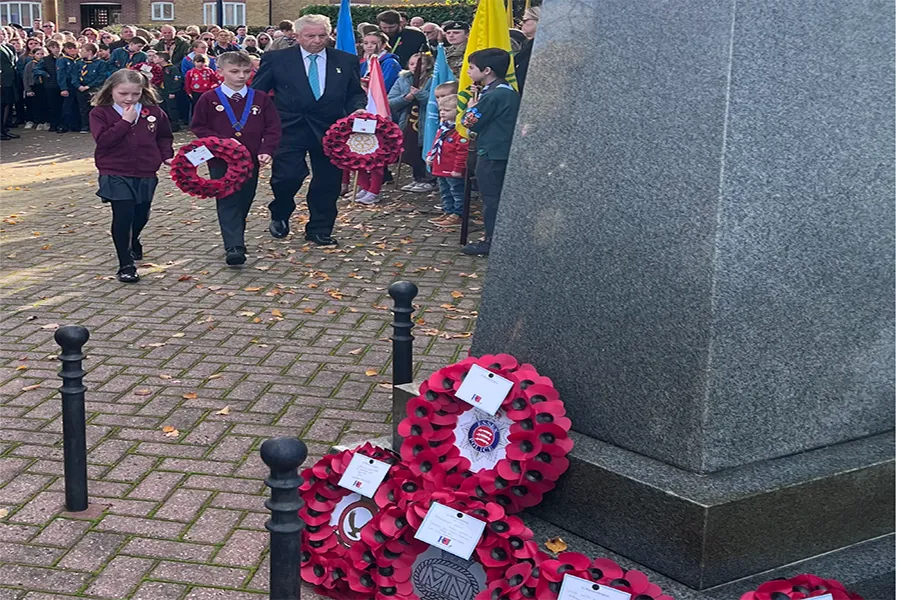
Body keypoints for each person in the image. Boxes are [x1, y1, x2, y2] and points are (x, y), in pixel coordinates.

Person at [251, 14, 367, 246]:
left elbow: (354, 92)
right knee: (287, 177)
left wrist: (358, 108)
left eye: (322, 35)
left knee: (328, 181)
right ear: (297, 36)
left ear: (329, 34)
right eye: (310, 36)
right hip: (289, 127)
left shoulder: (345, 60)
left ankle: (320, 228)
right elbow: (258, 92)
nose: (316, 41)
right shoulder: (276, 59)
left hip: (331, 129)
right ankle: (281, 212)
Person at [191, 51, 281, 265]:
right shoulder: (209, 98)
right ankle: (234, 246)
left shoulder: (260, 98)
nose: (241, 76)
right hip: (220, 160)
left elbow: (273, 127)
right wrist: (222, 142)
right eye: (234, 71)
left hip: (251, 159)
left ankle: (236, 233)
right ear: (220, 72)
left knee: (244, 198)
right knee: (227, 199)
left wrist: (267, 149)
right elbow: (198, 126)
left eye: (246, 71)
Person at [89, 69, 174, 282]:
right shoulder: (100, 113)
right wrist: (125, 121)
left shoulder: (153, 111)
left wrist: (167, 156)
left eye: (135, 94)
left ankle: (133, 238)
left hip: (145, 170)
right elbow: (104, 141)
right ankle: (125, 264)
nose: (129, 99)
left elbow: (164, 136)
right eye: (123, 94)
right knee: (123, 213)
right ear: (111, 91)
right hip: (114, 170)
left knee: (141, 214)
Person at [460, 48, 521, 256]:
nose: (468, 71)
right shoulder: (507, 90)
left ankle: (492, 240)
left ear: (486, 70)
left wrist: (470, 107)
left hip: (492, 153)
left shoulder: (494, 95)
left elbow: (470, 122)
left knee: (492, 197)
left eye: (472, 68)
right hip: (499, 150)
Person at [388, 51, 434, 193]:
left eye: (420, 64)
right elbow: (391, 101)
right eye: (412, 63)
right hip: (408, 120)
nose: (415, 67)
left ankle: (429, 179)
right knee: (412, 147)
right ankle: (417, 177)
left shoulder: (432, 79)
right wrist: (406, 98)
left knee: (424, 148)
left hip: (426, 120)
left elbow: (436, 100)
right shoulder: (403, 79)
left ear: (427, 66)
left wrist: (420, 94)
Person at [426, 94, 468, 228]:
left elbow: (462, 152)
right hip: (440, 167)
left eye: (447, 110)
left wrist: (458, 169)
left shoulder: (459, 131)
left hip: (452, 169)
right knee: (445, 191)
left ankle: (458, 214)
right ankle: (448, 211)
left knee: (456, 191)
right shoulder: (443, 127)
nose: (442, 113)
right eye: (440, 110)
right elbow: (436, 143)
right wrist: (430, 156)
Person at [75, 42, 109, 133]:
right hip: (80, 88)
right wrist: (78, 85)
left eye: (83, 50)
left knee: (95, 108)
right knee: (82, 108)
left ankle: (96, 126)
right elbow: (74, 75)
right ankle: (85, 126)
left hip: (94, 89)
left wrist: (88, 86)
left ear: (90, 52)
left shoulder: (100, 63)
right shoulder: (79, 63)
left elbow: (101, 76)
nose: (80, 52)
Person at [152, 51, 181, 131]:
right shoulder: (158, 69)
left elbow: (176, 81)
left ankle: (174, 125)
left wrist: (173, 91)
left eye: (155, 57)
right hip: (162, 92)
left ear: (161, 59)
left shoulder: (172, 68)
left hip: (170, 92)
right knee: (163, 107)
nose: (153, 59)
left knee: (172, 108)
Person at [23, 45, 50, 131]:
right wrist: (28, 89)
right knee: (36, 105)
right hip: (34, 86)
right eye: (38, 54)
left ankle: (46, 121)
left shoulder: (47, 64)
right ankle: (38, 122)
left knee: (45, 104)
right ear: (33, 55)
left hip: (45, 86)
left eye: (42, 53)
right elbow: (25, 77)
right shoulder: (30, 65)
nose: (40, 55)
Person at [57, 41, 81, 133]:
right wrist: (63, 88)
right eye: (69, 48)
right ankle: (64, 125)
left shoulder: (80, 59)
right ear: (65, 49)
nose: (72, 50)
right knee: (67, 106)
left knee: (77, 105)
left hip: (79, 83)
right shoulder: (62, 60)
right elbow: (61, 74)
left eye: (74, 48)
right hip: (68, 83)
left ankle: (76, 125)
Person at [515, 6, 540, 92]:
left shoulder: (540, 47)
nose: (522, 23)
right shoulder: (527, 46)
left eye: (525, 20)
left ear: (538, 20)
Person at [0, 29, 18, 140]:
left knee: (7, 104)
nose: (2, 36)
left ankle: (4, 129)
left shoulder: (5, 46)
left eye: (3, 34)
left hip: (9, 80)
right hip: (1, 80)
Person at [42, 39, 62, 132]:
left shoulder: (64, 58)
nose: (56, 49)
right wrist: (45, 74)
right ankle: (54, 124)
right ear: (49, 48)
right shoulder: (46, 59)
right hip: (50, 85)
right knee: (52, 106)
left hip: (62, 85)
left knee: (63, 105)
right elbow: (37, 69)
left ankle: (62, 124)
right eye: (53, 47)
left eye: (58, 47)